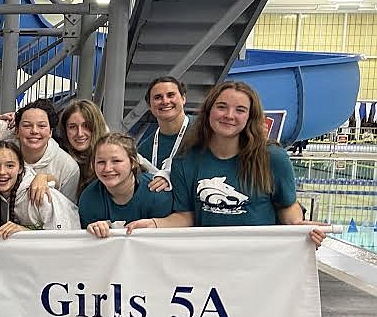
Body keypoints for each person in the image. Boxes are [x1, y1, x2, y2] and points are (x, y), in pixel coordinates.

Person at [126, 81, 325, 247]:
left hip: (259, 261)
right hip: (210, 261)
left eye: (240, 110)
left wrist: (301, 230)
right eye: (221, 107)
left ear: (249, 117)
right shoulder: (185, 161)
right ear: (209, 111)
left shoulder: (272, 158)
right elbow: (186, 217)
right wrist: (153, 224)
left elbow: (286, 206)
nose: (229, 115)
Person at [79, 133, 173, 237]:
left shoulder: (156, 191)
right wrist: (93, 230)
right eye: (101, 162)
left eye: (116, 161)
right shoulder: (88, 199)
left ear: (133, 162)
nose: (107, 168)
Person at [0, 140, 80, 239]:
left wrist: (24, 232)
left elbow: (61, 240)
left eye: (10, 166)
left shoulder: (41, 195)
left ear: (21, 168)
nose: (2, 172)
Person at [14, 99, 79, 204]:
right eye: (27, 125)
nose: (34, 131)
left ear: (50, 132)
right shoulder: (4, 153)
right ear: (17, 131)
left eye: (41, 126)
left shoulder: (68, 167)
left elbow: (69, 211)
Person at [137, 76, 191, 176]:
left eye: (171, 95)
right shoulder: (144, 149)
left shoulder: (204, 130)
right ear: (149, 105)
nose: (165, 101)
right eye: (158, 97)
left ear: (183, 99)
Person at [58, 99, 109, 199]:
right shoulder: (61, 160)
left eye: (86, 126)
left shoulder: (116, 151)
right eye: (72, 127)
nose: (80, 133)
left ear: (97, 126)